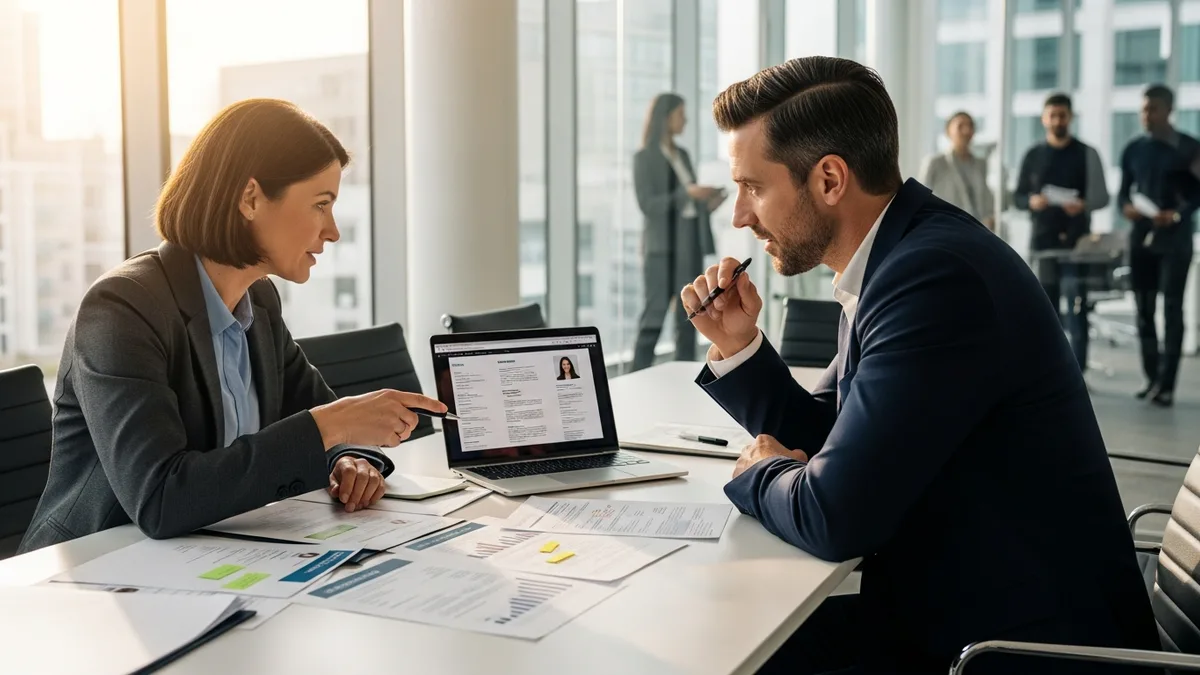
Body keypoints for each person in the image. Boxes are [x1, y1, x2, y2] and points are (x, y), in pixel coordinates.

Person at [682, 57, 1156, 674]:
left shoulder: (933, 278)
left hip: (1014, 648)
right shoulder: (899, 256)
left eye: (754, 187)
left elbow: (836, 515)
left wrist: (758, 473)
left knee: (728, 651)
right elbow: (829, 435)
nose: (740, 216)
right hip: (959, 608)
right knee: (731, 638)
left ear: (829, 179)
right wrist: (740, 345)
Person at [19, 99, 448, 553]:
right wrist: (331, 429)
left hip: (210, 555)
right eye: (320, 205)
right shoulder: (122, 309)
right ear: (250, 199)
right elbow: (162, 498)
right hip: (100, 571)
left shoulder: (258, 301)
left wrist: (348, 459)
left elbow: (320, 422)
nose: (333, 231)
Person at [1013, 92, 1110, 373]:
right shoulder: (1033, 155)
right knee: (1045, 310)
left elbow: (1102, 197)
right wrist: (1032, 201)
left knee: (1078, 310)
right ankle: (1049, 372)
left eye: (1062, 115)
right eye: (1052, 115)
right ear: (1045, 119)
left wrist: (1083, 205)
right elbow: (1018, 197)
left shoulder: (1086, 154)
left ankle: (1079, 372)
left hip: (1077, 244)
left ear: (1070, 117)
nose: (1057, 121)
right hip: (1043, 243)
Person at [631, 93, 726, 371]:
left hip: (688, 240)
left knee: (690, 315)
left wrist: (707, 203)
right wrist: (686, 193)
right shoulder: (644, 158)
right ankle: (637, 373)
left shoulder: (682, 154)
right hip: (661, 246)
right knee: (655, 313)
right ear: (665, 117)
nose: (684, 120)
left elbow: (688, 205)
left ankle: (684, 374)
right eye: (680, 114)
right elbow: (648, 205)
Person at [1119, 84, 1200, 407]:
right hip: (1141, 237)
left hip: (1175, 240)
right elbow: (1124, 193)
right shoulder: (1133, 149)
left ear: (1168, 110)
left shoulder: (1189, 148)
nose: (1146, 115)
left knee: (1172, 308)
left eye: (1152, 109)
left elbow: (1198, 194)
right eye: (1143, 110)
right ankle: (1152, 377)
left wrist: (1177, 215)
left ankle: (1167, 385)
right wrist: (1126, 207)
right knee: (1143, 309)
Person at [918, 111, 995, 231]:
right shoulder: (935, 163)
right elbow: (921, 200)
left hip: (976, 230)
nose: (966, 131)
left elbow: (984, 197)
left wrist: (989, 218)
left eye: (970, 126)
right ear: (948, 131)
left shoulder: (981, 164)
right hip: (945, 229)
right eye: (960, 126)